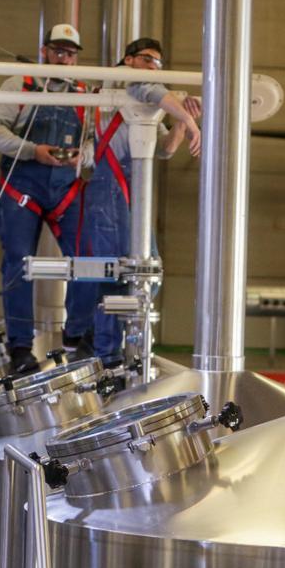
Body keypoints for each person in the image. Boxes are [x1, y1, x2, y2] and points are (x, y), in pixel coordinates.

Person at [0, 23, 97, 375]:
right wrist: (32, 150)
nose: (63, 58)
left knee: (88, 257)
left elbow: (98, 140)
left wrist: (82, 156)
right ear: (44, 51)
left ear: (77, 58)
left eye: (70, 53)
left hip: (66, 187)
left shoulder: (86, 93)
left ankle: (77, 332)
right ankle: (20, 346)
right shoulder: (20, 85)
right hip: (23, 186)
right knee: (18, 262)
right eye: (58, 51)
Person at [85, 37, 202, 368]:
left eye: (157, 63)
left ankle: (127, 349)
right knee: (116, 272)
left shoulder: (145, 93)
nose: (153, 67)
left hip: (131, 187)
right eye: (148, 59)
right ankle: (107, 355)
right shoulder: (123, 79)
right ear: (129, 59)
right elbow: (152, 91)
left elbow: (164, 149)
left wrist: (181, 121)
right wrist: (191, 122)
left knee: (145, 273)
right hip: (109, 186)